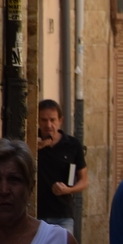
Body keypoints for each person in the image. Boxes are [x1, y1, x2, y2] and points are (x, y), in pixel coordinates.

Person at [36, 99, 89, 233]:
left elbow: (84, 181)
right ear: (37, 120)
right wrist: (35, 148)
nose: (48, 125)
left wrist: (67, 190)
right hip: (36, 215)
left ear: (60, 120)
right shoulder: (29, 142)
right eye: (43, 120)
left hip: (63, 215)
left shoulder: (72, 145)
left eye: (52, 120)